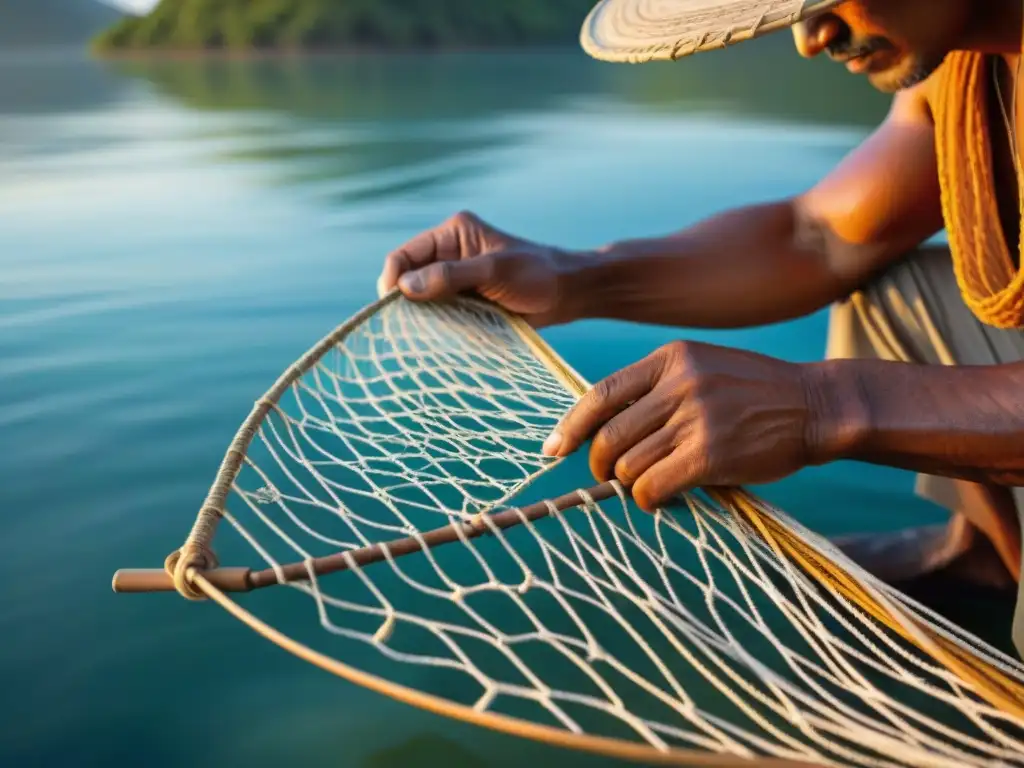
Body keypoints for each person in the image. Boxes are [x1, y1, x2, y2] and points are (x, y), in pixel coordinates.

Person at [376, 0, 1024, 652]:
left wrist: (819, 405)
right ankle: (999, 550)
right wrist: (571, 275)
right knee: (895, 283)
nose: (809, 38)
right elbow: (821, 237)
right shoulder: (963, 74)